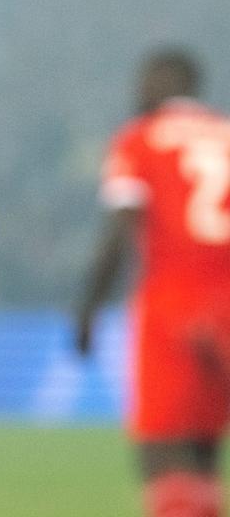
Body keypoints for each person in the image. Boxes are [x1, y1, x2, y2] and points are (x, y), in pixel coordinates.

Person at [76, 48, 230, 517]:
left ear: (166, 81)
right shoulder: (225, 134)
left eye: (145, 80)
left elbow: (120, 229)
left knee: (164, 453)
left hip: (172, 302)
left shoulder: (140, 139)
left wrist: (88, 307)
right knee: (205, 450)